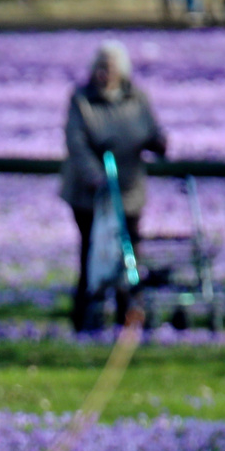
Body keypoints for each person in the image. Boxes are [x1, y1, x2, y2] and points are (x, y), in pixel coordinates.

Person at [59, 40, 167, 331]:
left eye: (109, 68)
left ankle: (128, 316)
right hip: (89, 195)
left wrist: (158, 142)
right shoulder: (81, 100)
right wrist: (96, 176)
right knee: (93, 254)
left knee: (129, 255)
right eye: (99, 67)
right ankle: (85, 318)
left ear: (122, 72)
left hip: (129, 191)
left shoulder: (137, 99)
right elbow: (76, 143)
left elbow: (153, 131)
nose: (103, 74)